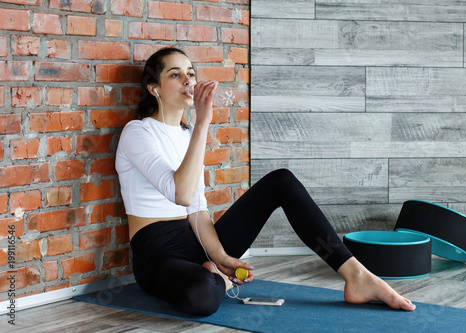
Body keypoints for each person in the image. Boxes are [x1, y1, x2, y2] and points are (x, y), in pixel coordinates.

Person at [115, 47, 416, 316]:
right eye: (176, 74)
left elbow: (196, 208)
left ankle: (355, 275)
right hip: (157, 251)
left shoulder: (186, 134)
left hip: (197, 238)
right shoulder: (138, 132)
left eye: (191, 74)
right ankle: (213, 278)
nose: (188, 81)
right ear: (153, 87)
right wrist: (203, 122)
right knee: (202, 297)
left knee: (281, 182)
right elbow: (179, 194)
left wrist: (220, 257)